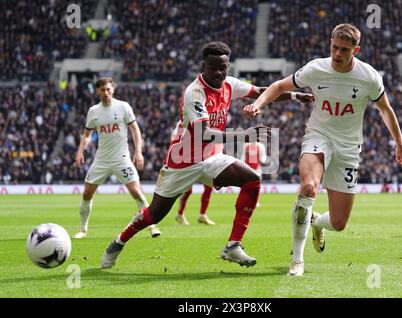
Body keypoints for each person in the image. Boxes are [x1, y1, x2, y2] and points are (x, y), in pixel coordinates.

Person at [101, 41, 313, 269]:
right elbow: (203, 133)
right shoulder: (194, 93)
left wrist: (292, 96)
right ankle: (118, 242)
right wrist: (244, 136)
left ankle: (233, 246)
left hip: (211, 158)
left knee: (252, 180)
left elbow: (262, 92)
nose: (219, 73)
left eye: (224, 68)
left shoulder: (229, 84)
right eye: (214, 68)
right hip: (183, 162)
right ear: (203, 66)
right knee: (155, 214)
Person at [243, 23, 402, 277]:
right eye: (334, 47)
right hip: (318, 136)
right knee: (309, 187)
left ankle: (317, 222)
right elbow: (278, 86)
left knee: (339, 223)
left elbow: (385, 110)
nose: (337, 54)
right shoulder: (316, 68)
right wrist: (259, 103)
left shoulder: (369, 77)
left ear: (356, 50)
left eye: (344, 50)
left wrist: (399, 142)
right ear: (330, 43)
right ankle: (297, 260)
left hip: (349, 147)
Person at [74, 77, 161, 239]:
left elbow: (135, 129)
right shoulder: (94, 111)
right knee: (87, 193)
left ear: (113, 89)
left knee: (137, 192)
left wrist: (138, 152)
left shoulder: (123, 107)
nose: (106, 92)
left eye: (108, 89)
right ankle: (83, 230)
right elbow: (87, 134)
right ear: (97, 91)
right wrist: (80, 151)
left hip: (122, 158)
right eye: (102, 90)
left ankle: (152, 227)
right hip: (101, 159)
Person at [170, 120, 216, 226]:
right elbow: (174, 141)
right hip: (188, 160)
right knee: (188, 190)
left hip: (203, 158)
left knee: (209, 186)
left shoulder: (204, 120)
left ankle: (202, 215)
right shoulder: (182, 123)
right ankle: (180, 214)